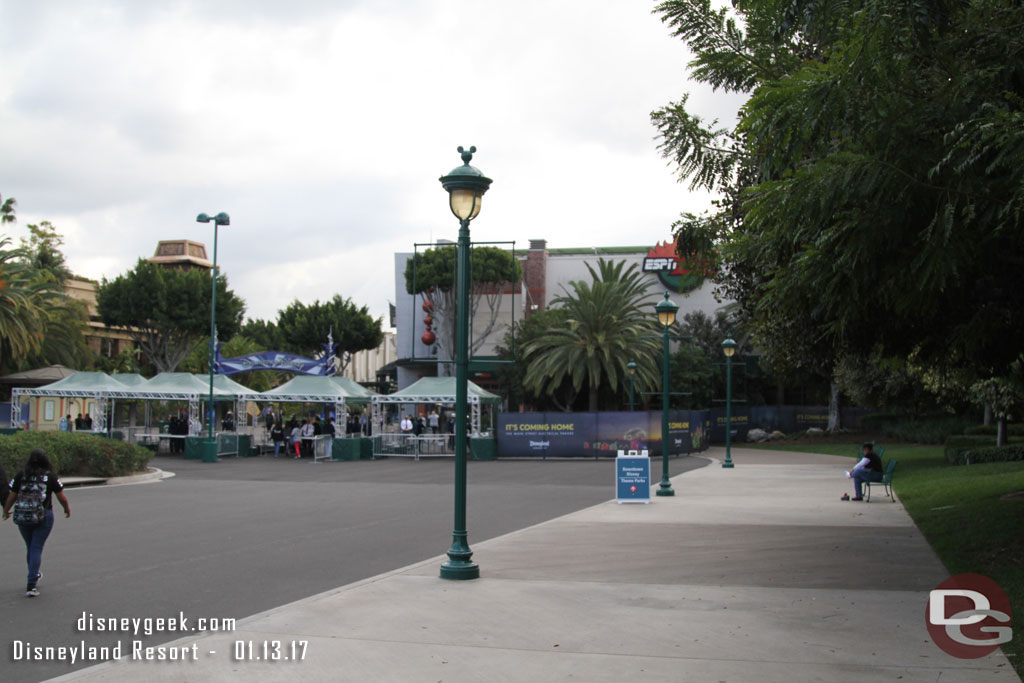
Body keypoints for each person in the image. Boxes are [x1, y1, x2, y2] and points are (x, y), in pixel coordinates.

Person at [3, 448, 70, 598]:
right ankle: (31, 583)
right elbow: (61, 497)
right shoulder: (50, 476)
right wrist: (66, 509)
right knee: (36, 548)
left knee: (31, 547)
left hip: (23, 516)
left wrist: (6, 511)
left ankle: (33, 574)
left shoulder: (21, 475)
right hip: (43, 516)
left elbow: (12, 496)